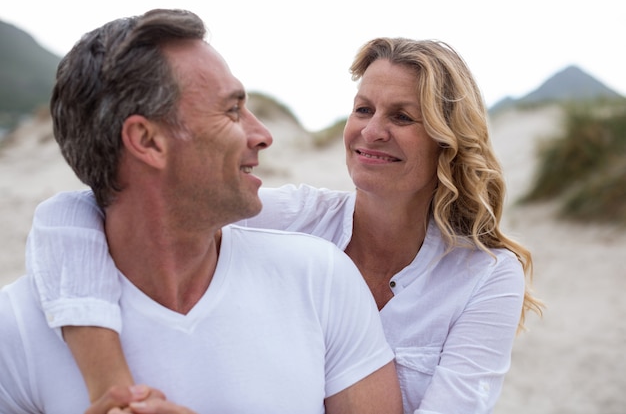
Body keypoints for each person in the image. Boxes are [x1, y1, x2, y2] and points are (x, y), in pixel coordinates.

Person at [24, 37, 544, 414]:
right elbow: (73, 215)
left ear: (448, 140)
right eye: (363, 108)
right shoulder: (297, 221)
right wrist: (111, 388)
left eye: (403, 117)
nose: (372, 131)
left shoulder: (487, 275)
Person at [0, 9, 404, 414]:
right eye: (231, 111)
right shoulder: (14, 332)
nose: (263, 135)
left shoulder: (321, 280)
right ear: (147, 141)